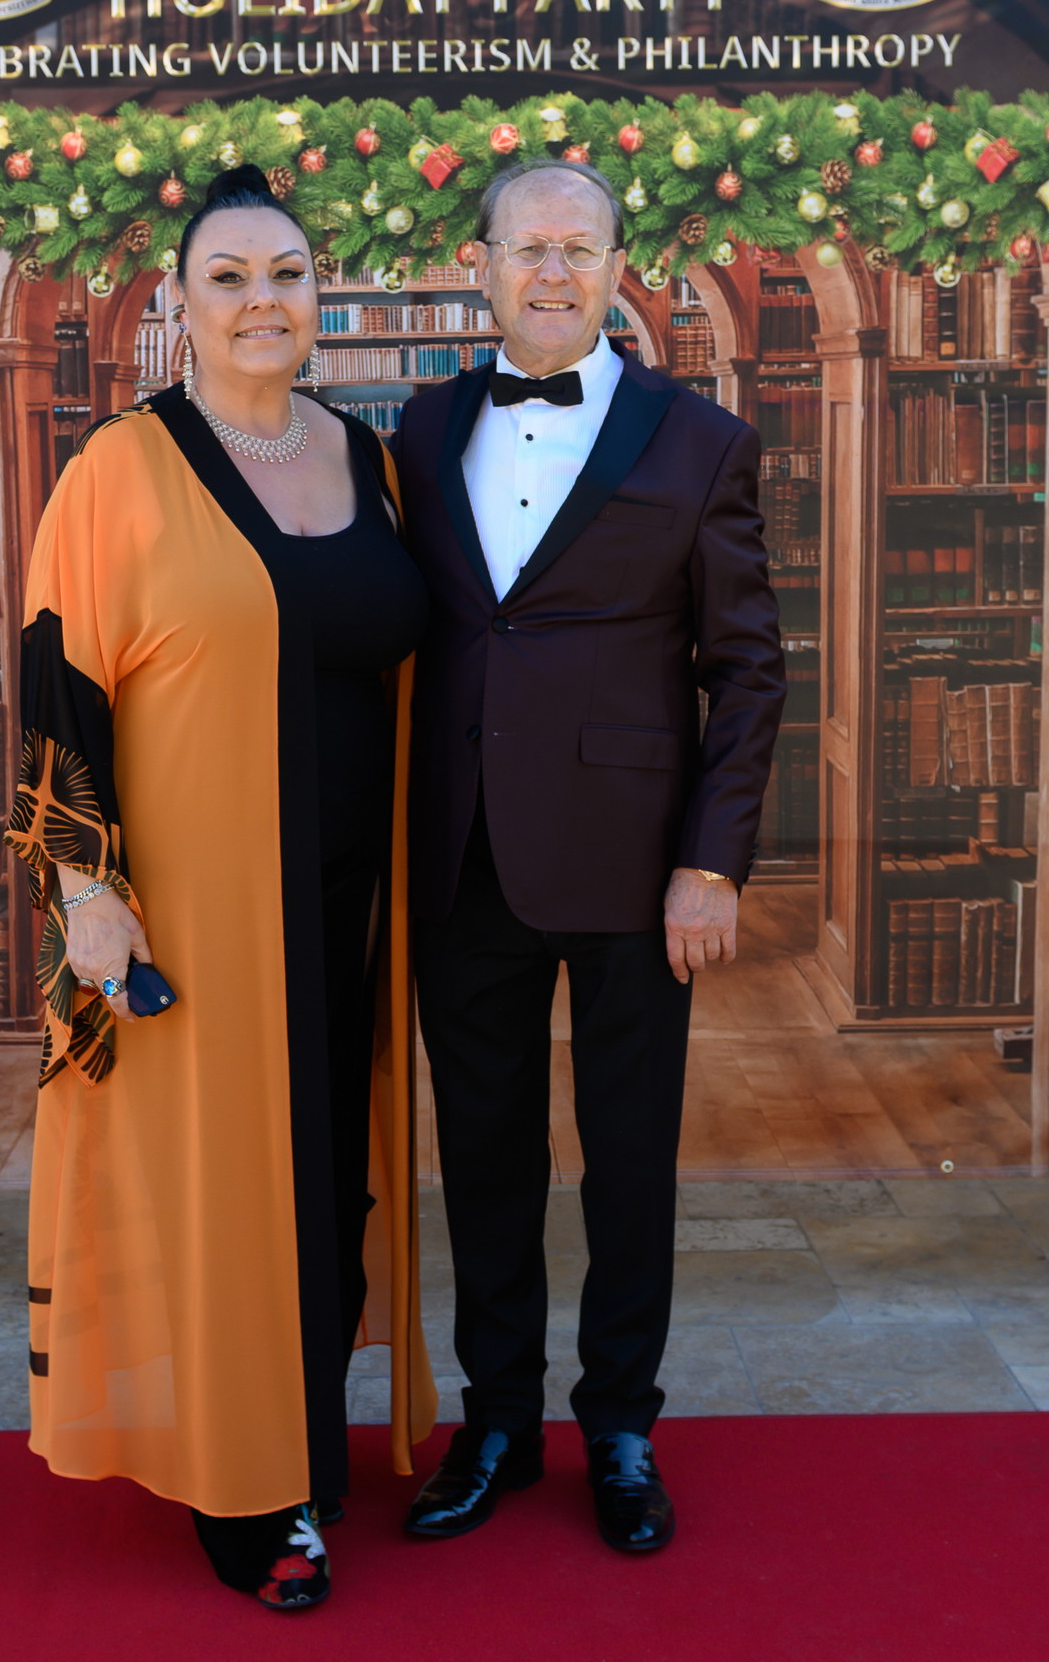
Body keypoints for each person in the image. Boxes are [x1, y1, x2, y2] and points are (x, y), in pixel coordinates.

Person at [3, 165, 436, 1612]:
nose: (264, 301)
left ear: (321, 296)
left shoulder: (369, 459)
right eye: (230, 277)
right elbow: (58, 685)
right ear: (181, 307)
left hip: (350, 908)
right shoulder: (119, 469)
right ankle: (241, 1489)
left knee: (325, 1175)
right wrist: (86, 889)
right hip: (197, 903)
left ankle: (301, 1439)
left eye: (288, 274)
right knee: (222, 1190)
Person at [390, 159, 784, 1554]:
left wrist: (712, 863)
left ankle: (620, 1425)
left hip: (635, 864)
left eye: (579, 248)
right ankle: (497, 1420)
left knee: (628, 1161)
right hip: (462, 855)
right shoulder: (421, 427)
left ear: (620, 269)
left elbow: (748, 671)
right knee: (482, 1157)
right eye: (527, 248)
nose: (552, 272)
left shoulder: (702, 440)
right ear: (481, 266)